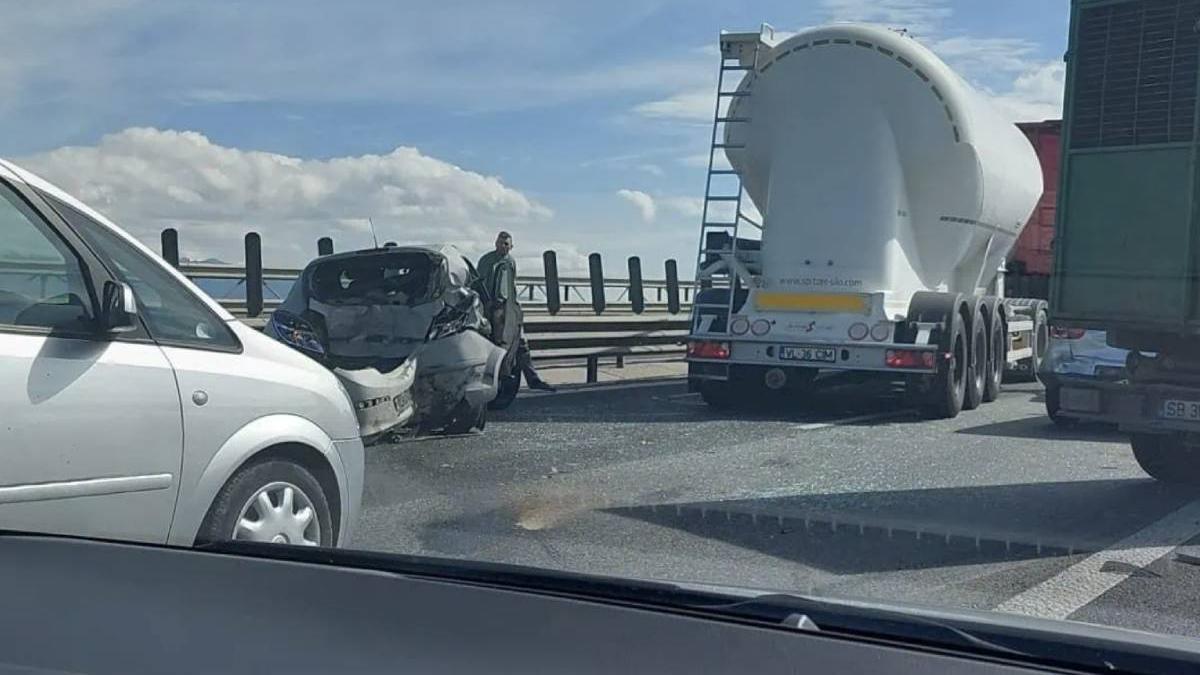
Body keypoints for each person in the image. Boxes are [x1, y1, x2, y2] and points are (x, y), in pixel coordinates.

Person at [477, 231, 556, 392]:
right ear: (495, 243)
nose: (503, 246)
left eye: (506, 244)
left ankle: (533, 379)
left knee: (521, 343)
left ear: (511, 246)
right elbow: (479, 284)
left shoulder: (511, 262)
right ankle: (499, 381)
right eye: (500, 243)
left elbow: (512, 286)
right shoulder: (486, 261)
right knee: (499, 345)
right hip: (493, 309)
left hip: (509, 309)